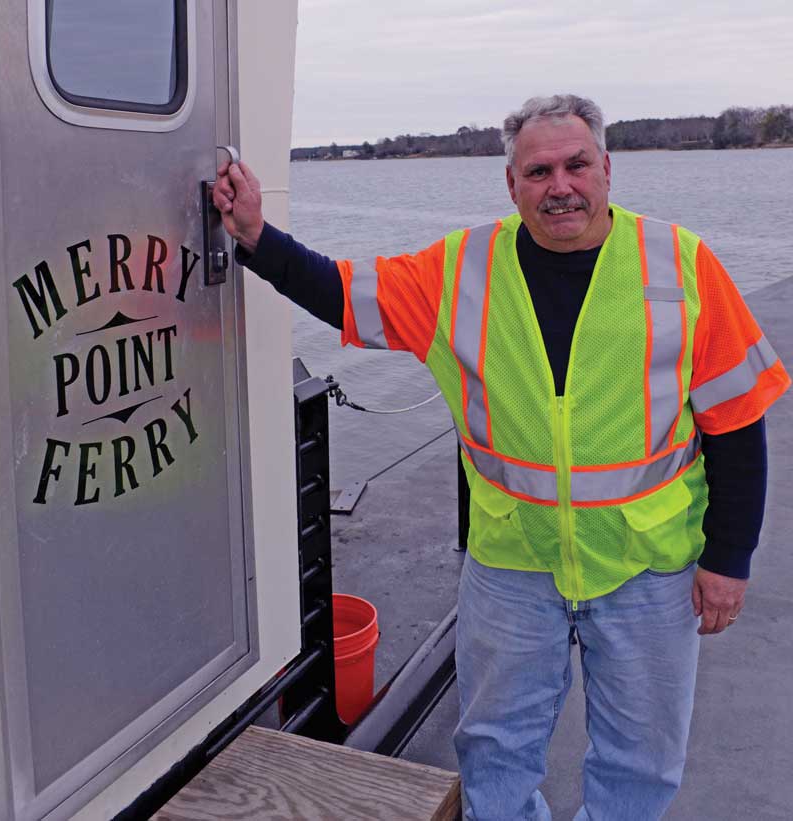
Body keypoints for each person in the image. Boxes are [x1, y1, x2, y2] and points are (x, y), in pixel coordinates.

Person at [213, 94, 790, 820]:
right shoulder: (458, 270)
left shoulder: (683, 265)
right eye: (538, 171)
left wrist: (728, 558)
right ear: (510, 186)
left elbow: (738, 422)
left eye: (577, 165)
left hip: (650, 567)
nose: (560, 186)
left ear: (607, 169)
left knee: (641, 758)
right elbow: (343, 293)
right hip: (513, 564)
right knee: (493, 746)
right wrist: (256, 234)